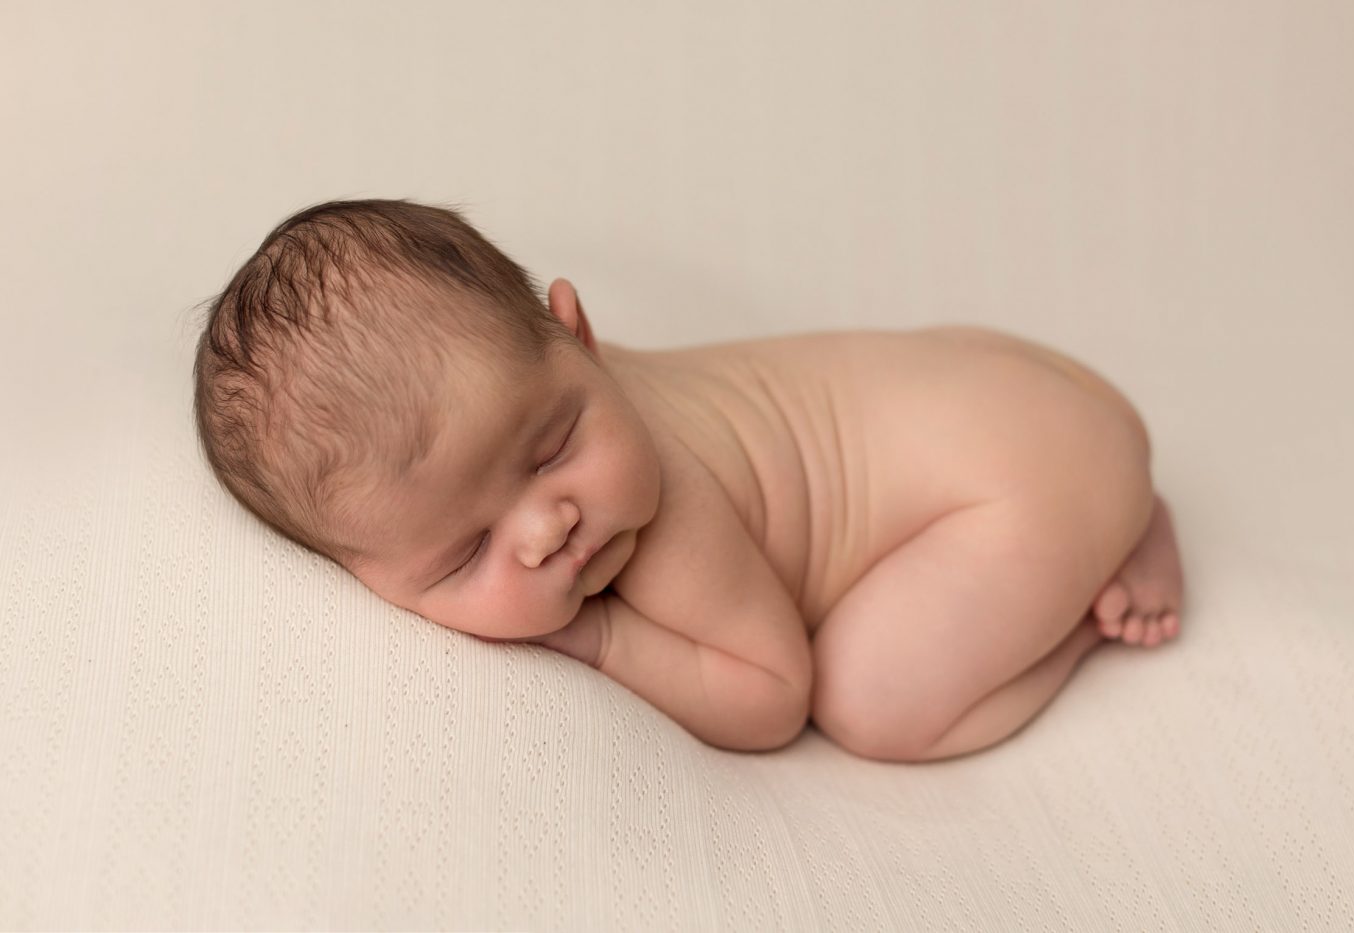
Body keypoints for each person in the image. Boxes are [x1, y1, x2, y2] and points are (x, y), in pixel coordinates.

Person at [193, 198, 1184, 762]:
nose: (548, 530)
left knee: (869, 704)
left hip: (1022, 474)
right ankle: (1104, 499)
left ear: (576, 337)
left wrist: (604, 633)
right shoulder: (546, 384)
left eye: (546, 452)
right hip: (1011, 378)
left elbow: (770, 695)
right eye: (465, 554)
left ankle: (1101, 570)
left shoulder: (664, 519)